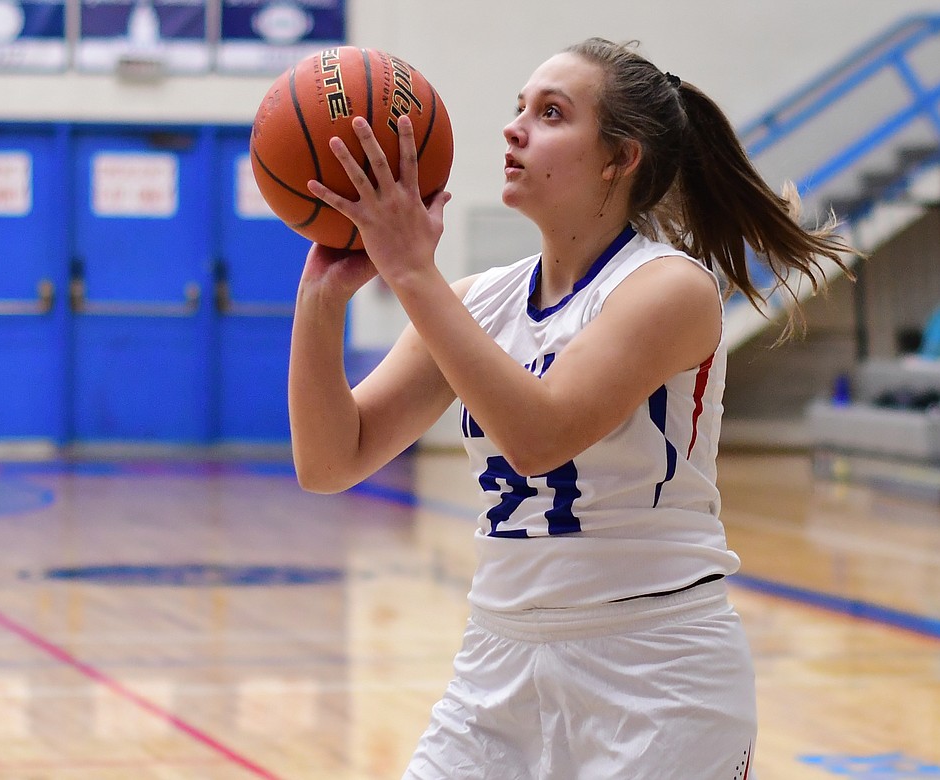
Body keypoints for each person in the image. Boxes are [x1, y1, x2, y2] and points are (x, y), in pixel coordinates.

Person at [288, 37, 853, 779]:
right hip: (497, 666)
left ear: (621, 159)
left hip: (655, 673)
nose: (514, 128)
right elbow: (332, 460)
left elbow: (538, 435)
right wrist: (320, 300)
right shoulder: (476, 301)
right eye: (519, 108)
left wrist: (410, 272)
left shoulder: (668, 288)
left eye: (551, 113)